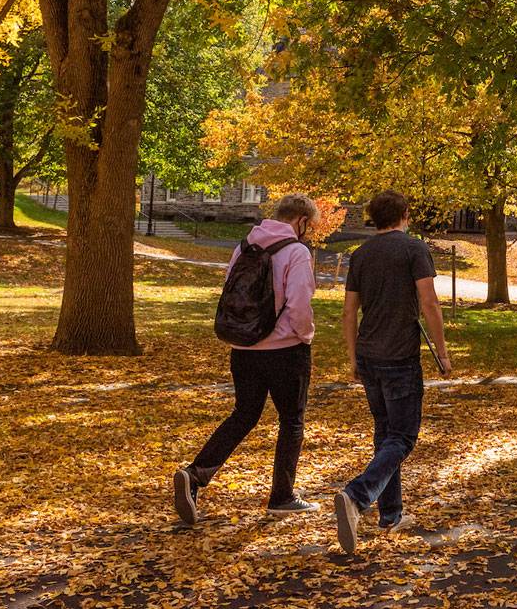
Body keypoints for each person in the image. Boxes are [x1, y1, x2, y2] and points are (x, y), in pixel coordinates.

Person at [173, 193, 322, 524]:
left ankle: (195, 474)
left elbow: (231, 291)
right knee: (292, 420)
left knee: (243, 415)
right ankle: (282, 496)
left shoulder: (244, 246)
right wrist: (306, 336)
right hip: (285, 351)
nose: (308, 232)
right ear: (300, 221)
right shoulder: (297, 252)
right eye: (308, 226)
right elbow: (299, 304)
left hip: (243, 348)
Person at [334, 188, 452, 555]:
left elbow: (349, 311)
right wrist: (443, 354)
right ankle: (356, 496)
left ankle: (391, 514)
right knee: (402, 438)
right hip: (400, 357)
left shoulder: (361, 255)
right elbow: (429, 303)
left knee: (386, 435)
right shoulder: (414, 249)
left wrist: (353, 358)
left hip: (369, 355)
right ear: (403, 215)